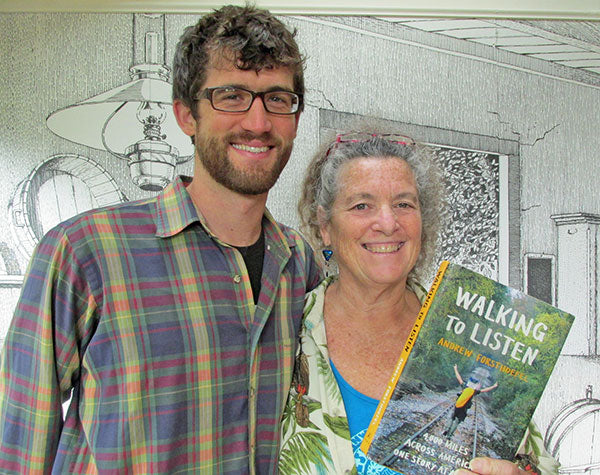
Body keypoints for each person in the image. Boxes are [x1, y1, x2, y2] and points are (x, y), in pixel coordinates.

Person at [0, 5, 321, 474]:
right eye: (231, 96)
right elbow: (19, 446)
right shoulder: (83, 252)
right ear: (186, 115)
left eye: (277, 98)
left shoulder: (301, 265)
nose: (257, 122)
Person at [279, 128, 559, 474]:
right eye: (362, 205)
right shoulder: (283, 335)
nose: (388, 222)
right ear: (325, 225)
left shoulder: (472, 334)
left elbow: (539, 464)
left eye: (403, 204)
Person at [444, 364, 498, 438]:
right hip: (464, 409)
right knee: (457, 421)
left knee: (452, 417)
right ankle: (449, 435)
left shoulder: (465, 387)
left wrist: (455, 369)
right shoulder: (474, 391)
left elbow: (459, 378)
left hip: (457, 405)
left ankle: (446, 429)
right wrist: (494, 386)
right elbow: (485, 390)